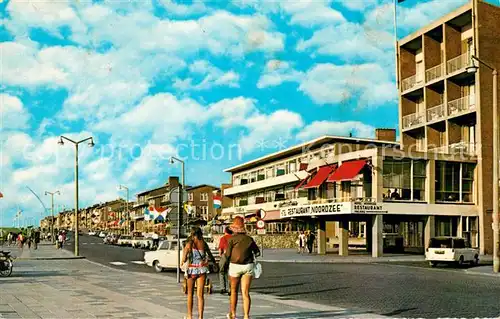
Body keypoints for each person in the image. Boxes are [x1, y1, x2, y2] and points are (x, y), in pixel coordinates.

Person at [225, 216, 260, 319]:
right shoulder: (249, 239)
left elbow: (227, 255)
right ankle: (246, 315)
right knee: (245, 292)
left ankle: (233, 314)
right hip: (248, 266)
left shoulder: (232, 239)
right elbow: (257, 252)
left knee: (234, 290)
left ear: (234, 228)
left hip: (235, 266)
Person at [181, 227, 216, 319]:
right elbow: (210, 255)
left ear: (192, 234)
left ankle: (190, 316)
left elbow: (184, 259)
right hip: (202, 270)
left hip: (192, 269)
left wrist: (183, 260)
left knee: (190, 294)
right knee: (200, 295)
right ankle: (200, 316)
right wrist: (215, 264)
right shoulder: (204, 244)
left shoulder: (189, 244)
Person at [218, 226, 233, 295]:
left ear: (225, 231)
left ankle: (222, 288)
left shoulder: (223, 238)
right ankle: (230, 289)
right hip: (233, 256)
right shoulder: (234, 238)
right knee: (231, 273)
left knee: (222, 272)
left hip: (225, 255)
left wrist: (221, 256)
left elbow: (220, 250)